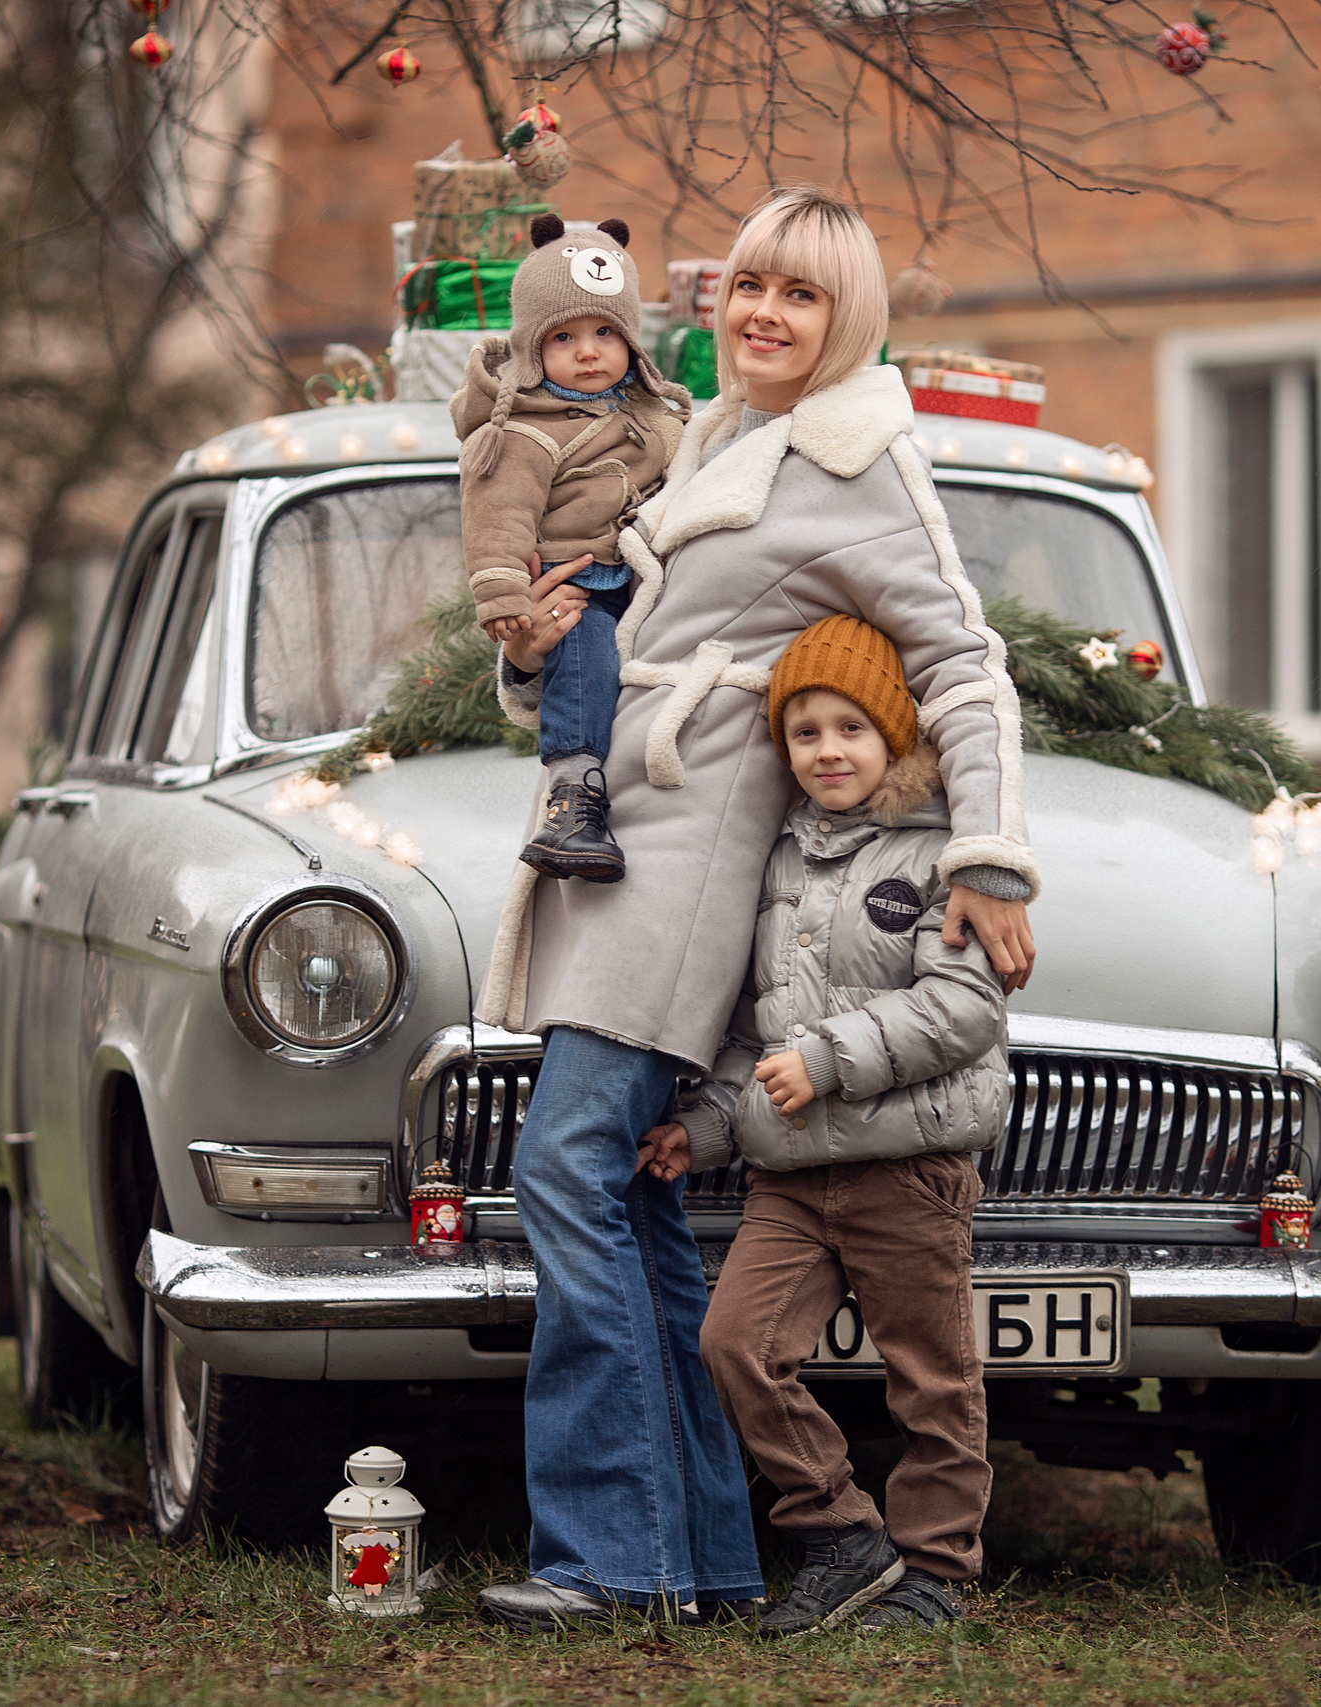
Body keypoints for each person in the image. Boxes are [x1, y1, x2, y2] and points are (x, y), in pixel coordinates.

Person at [468, 184, 1039, 1635]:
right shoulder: (715, 439)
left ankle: (611, 1552)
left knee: (569, 1167)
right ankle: (694, 1552)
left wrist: (988, 855)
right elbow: (641, 644)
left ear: (851, 318)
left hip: (695, 854)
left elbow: (963, 662)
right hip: (625, 835)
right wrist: (539, 653)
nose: (767, 313)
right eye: (752, 287)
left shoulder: (862, 458)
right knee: (635, 1196)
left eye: (804, 293)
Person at [639, 615, 1009, 1635]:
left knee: (930, 1377)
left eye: (851, 727)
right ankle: (842, 1533)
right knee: (734, 1345)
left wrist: (829, 1062)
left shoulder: (944, 859)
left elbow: (965, 1010)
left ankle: (933, 1572)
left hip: (908, 1166)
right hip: (793, 1177)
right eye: (805, 732)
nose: (829, 750)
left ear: (893, 736)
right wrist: (704, 1128)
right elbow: (757, 1025)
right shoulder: (775, 864)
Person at [452, 212, 690, 884]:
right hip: (574, 578)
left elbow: (690, 474)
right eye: (564, 336)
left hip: (645, 582)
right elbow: (498, 513)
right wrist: (502, 591)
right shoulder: (524, 431)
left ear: (631, 341)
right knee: (580, 654)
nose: (589, 351)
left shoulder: (654, 416)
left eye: (605, 332)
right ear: (532, 349)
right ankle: (573, 791)